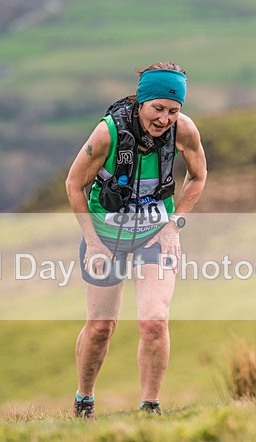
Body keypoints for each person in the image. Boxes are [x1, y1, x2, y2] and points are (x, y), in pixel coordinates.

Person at [65, 61, 208, 419]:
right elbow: (74, 184)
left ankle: (150, 407)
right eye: (158, 108)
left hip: (155, 237)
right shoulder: (107, 133)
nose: (164, 119)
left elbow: (199, 177)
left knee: (154, 322)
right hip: (105, 237)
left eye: (173, 110)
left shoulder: (184, 131)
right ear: (141, 102)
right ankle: (84, 399)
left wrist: (174, 226)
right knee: (101, 328)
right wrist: (93, 243)